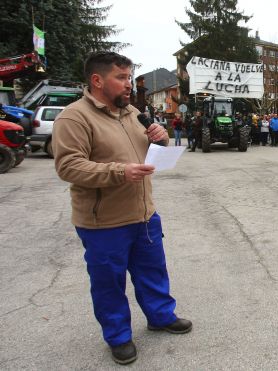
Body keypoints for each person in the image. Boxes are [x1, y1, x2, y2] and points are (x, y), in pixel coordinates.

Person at [51, 52, 191, 365]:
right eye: (121, 77)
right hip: (103, 222)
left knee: (153, 272)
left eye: (129, 77)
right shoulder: (74, 117)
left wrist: (162, 139)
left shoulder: (132, 113)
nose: (128, 84)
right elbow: (68, 167)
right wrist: (119, 171)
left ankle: (160, 316)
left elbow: (150, 149)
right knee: (108, 283)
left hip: (144, 215)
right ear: (97, 80)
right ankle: (118, 336)